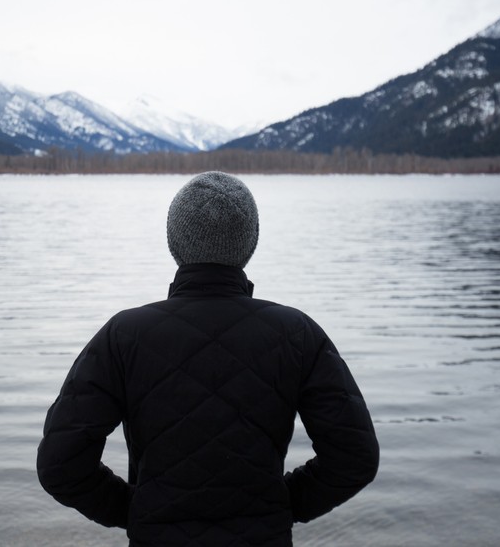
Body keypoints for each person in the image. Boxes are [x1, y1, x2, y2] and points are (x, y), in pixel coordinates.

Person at [37, 171, 379, 546]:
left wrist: (135, 508)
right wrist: (283, 504)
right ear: (249, 243)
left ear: (174, 241)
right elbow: (354, 456)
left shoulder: (124, 335)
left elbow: (61, 463)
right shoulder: (297, 333)